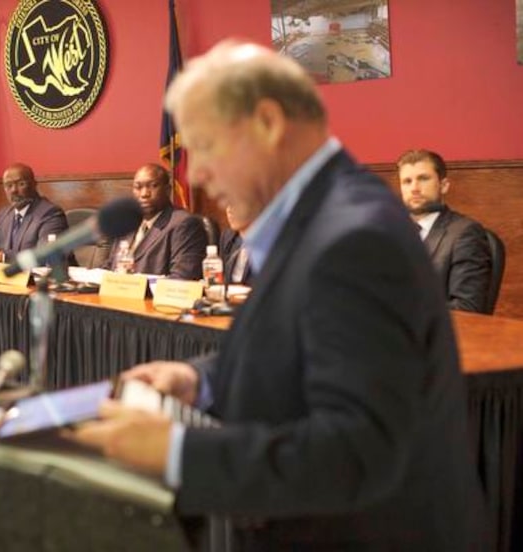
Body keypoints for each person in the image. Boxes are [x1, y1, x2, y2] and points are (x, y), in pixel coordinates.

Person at [72, 40, 485, 550]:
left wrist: (178, 453)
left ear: (267, 123)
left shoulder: (354, 239)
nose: (195, 173)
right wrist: (197, 380)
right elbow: (293, 351)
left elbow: (356, 452)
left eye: (203, 144)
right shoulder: (318, 213)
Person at [397, 149, 492, 313]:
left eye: (423, 178)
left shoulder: (466, 233)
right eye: (407, 181)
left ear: (444, 185)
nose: (414, 188)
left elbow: (467, 308)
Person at [104, 163, 206, 279]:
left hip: (152, 296)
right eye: (138, 187)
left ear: (168, 190)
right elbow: (110, 267)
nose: (144, 194)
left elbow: (182, 279)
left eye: (152, 186)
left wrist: (135, 285)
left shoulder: (184, 224)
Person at [0, 163, 68, 262]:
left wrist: (1, 257)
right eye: (9, 185)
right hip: (9, 277)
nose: (14, 190)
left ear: (34, 185)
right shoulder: (3, 215)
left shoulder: (50, 214)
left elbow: (44, 256)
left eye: (21, 184)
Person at [219, 205, 251, 285]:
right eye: (227, 204)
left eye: (233, 203)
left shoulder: (270, 239)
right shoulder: (228, 236)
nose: (229, 210)